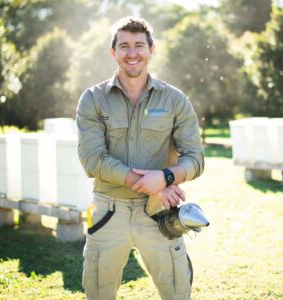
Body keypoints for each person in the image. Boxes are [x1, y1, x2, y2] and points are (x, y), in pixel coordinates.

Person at [76, 16, 204, 300]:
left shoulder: (175, 100)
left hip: (159, 212)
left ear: (151, 49)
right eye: (124, 46)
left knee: (178, 292)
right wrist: (151, 181)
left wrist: (167, 178)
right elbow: (92, 159)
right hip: (108, 213)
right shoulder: (93, 99)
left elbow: (195, 158)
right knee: (98, 294)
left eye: (138, 46)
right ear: (113, 52)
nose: (132, 53)